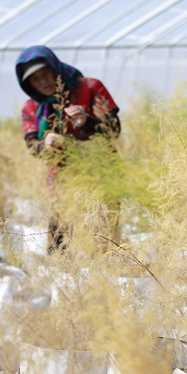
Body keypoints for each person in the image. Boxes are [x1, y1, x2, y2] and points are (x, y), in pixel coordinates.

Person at [15, 45, 121, 252]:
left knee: (106, 241)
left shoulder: (90, 87)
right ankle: (63, 281)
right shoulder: (31, 108)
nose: (43, 81)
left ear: (56, 67)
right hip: (62, 180)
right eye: (35, 79)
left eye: (46, 74)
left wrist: (86, 121)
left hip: (103, 175)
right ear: (27, 84)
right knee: (60, 245)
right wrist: (44, 144)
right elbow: (33, 146)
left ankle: (109, 281)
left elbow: (114, 129)